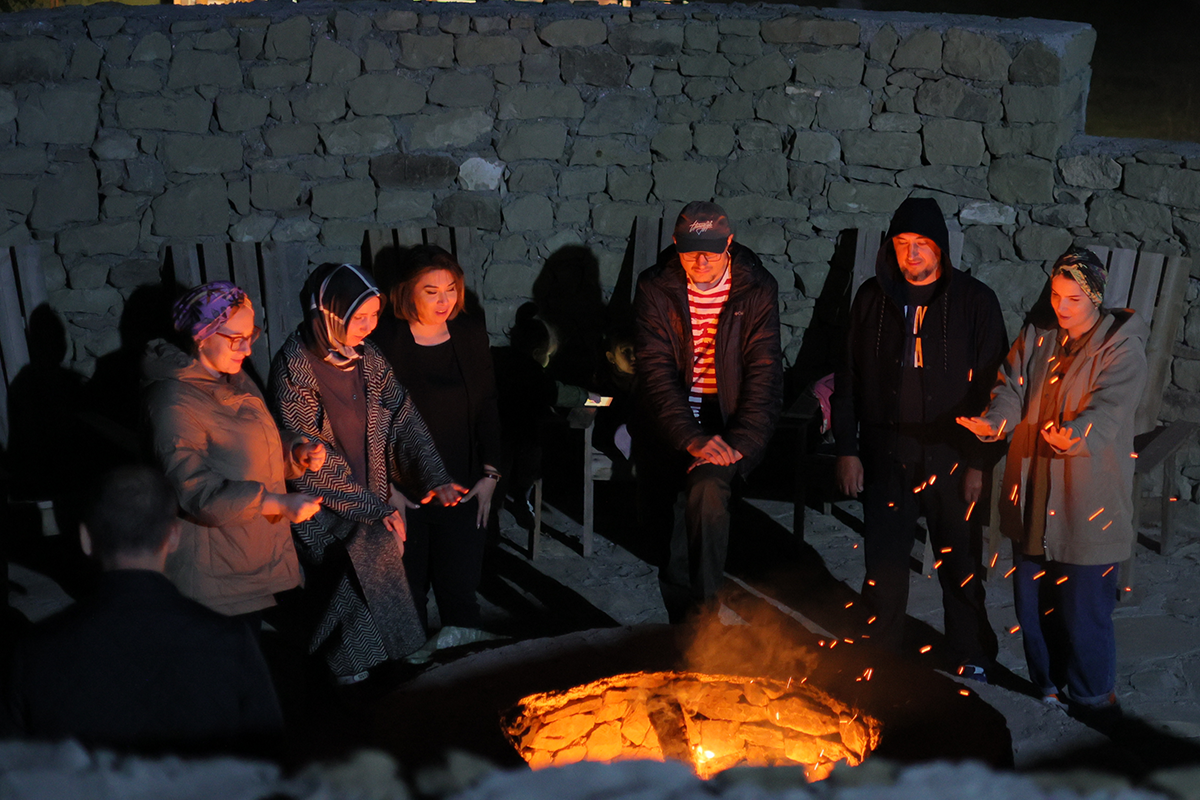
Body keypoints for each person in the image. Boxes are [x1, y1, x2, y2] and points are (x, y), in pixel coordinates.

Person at [958, 248, 1147, 711]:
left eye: (1073, 300)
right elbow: (1011, 386)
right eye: (1056, 296)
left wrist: (1076, 433)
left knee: (1083, 611)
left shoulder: (1120, 347)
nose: (1061, 307)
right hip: (1034, 496)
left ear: (1095, 301)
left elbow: (1109, 408)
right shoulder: (1038, 336)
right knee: (1033, 603)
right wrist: (997, 421)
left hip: (1086, 500)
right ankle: (1046, 685)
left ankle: (1093, 697)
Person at [832, 196, 1007, 679]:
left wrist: (979, 463)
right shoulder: (873, 299)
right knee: (884, 561)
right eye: (903, 244)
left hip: (952, 453)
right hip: (887, 450)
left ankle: (970, 651)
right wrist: (847, 449)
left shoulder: (975, 303)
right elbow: (847, 380)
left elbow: (998, 387)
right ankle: (881, 646)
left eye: (922, 245)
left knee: (960, 557)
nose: (912, 255)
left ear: (941, 250)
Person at [269, 263, 465, 684]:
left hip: (369, 492)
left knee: (377, 547)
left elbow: (401, 418)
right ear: (329, 315)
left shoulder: (368, 359)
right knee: (372, 545)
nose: (369, 326)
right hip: (318, 504)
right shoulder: (294, 367)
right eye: (359, 317)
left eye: (374, 315)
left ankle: (342, 657)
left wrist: (434, 476)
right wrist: (374, 510)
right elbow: (308, 460)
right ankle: (370, 660)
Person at [2, 466, 284, 754]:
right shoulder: (231, 643)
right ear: (174, 537)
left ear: (86, 539)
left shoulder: (37, 650)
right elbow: (267, 760)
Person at [633, 201, 783, 623]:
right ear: (675, 245)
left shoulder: (756, 288)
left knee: (706, 490)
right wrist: (690, 437)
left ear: (730, 245)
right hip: (675, 416)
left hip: (729, 414)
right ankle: (686, 616)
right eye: (691, 251)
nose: (701, 262)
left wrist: (742, 441)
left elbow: (765, 370)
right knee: (672, 520)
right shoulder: (656, 288)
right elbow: (656, 372)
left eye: (712, 252)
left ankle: (703, 613)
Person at [143, 281, 324, 624]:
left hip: (254, 554)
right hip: (217, 575)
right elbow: (194, 489)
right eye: (234, 337)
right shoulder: (172, 402)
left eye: (251, 334)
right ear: (201, 335)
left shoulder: (232, 376)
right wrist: (275, 503)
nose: (247, 347)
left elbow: (250, 442)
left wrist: (294, 452)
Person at [372, 245, 502, 633]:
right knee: (407, 594)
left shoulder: (468, 333)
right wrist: (386, 489)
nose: (445, 300)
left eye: (451, 289)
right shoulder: (383, 339)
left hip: (461, 485)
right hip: (404, 491)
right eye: (432, 291)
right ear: (407, 292)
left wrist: (491, 476)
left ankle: (464, 676)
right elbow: (372, 420)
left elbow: (488, 406)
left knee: (460, 593)